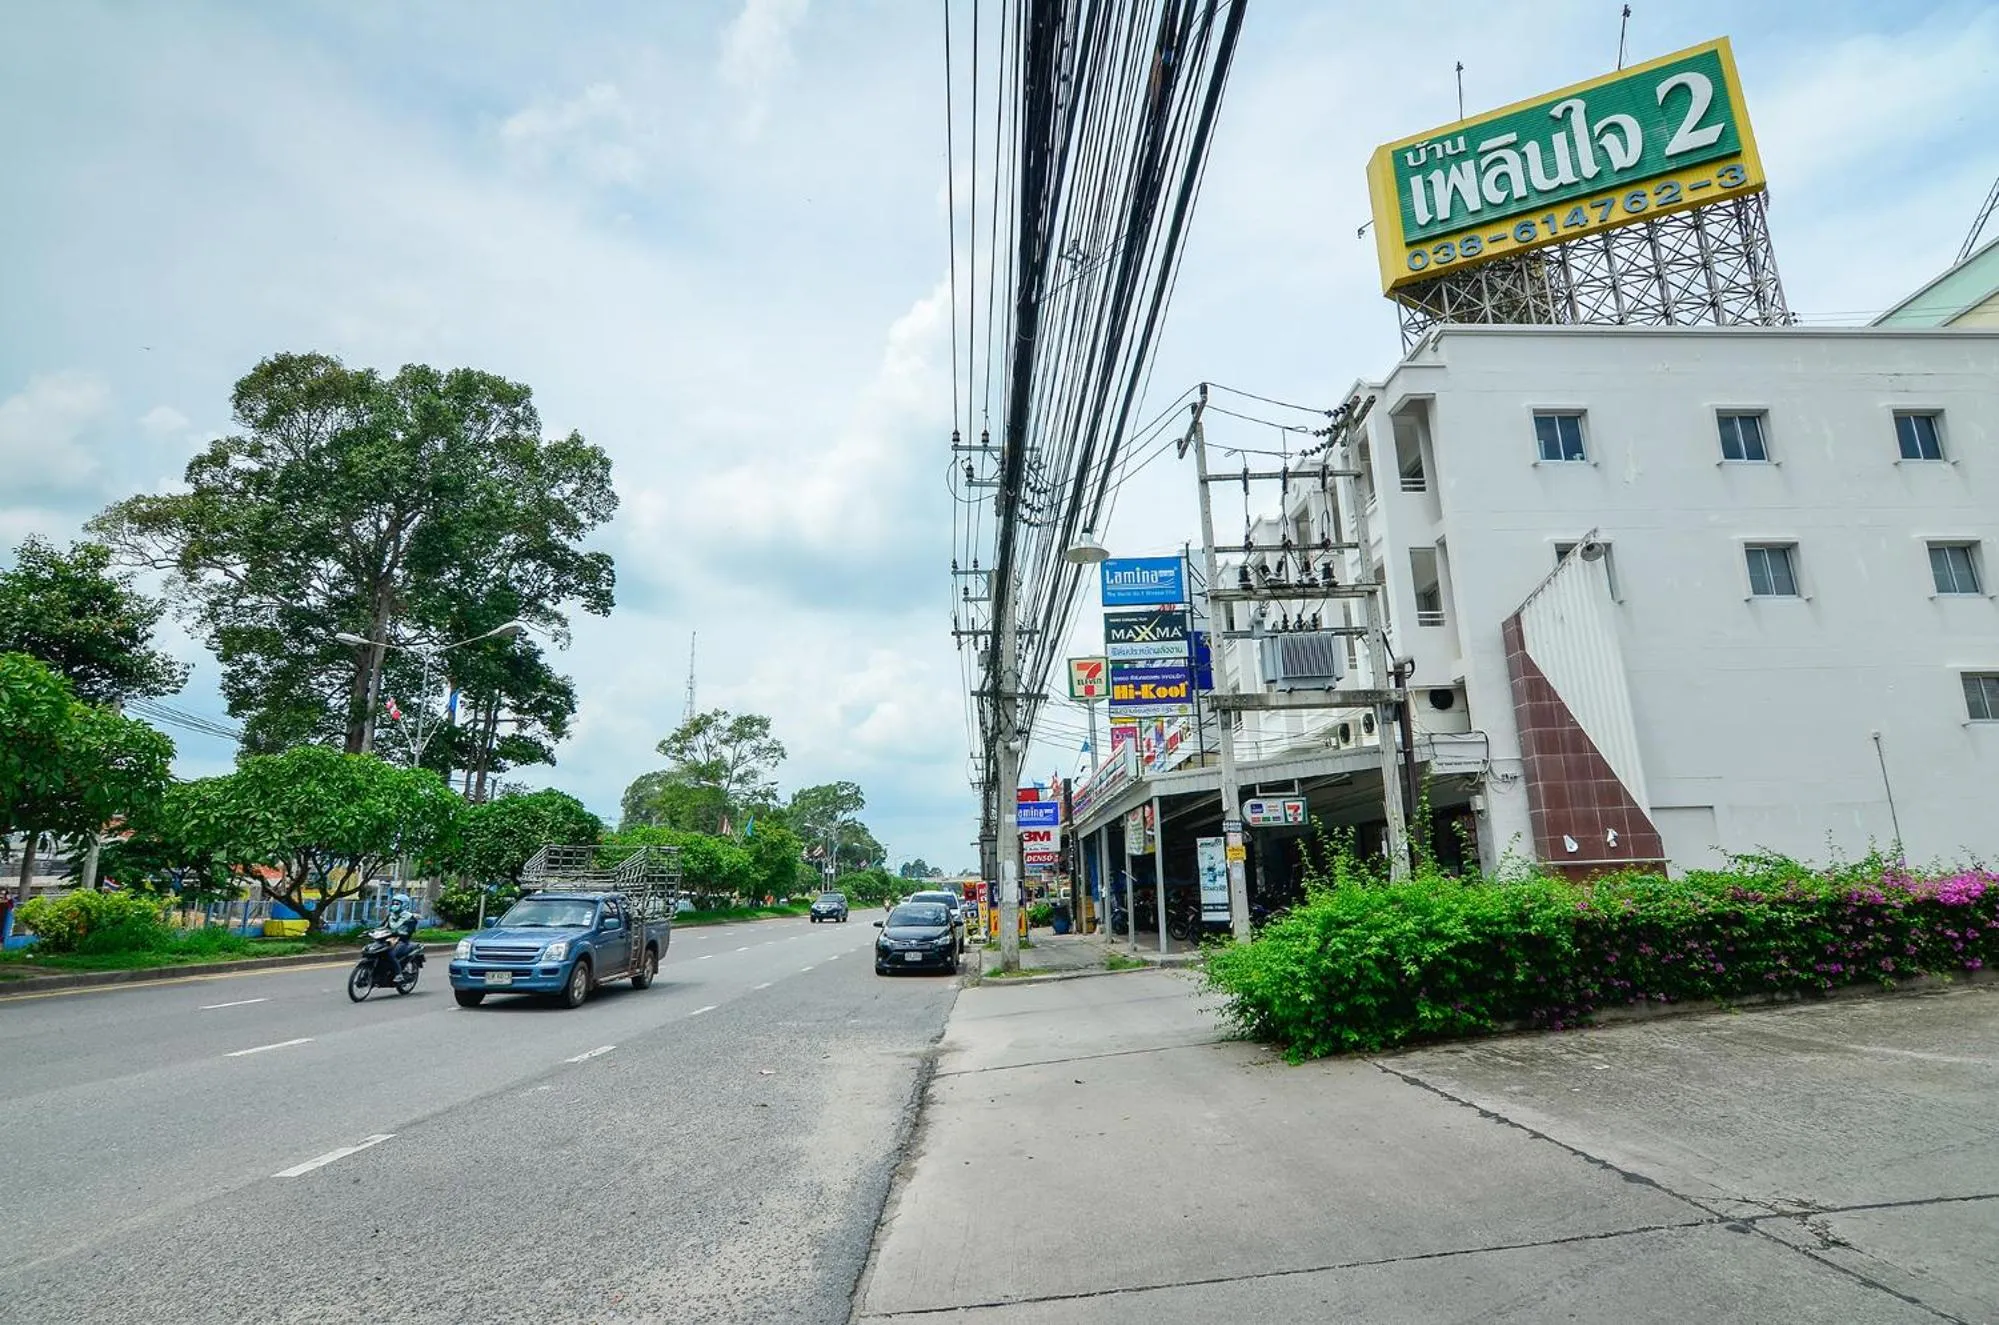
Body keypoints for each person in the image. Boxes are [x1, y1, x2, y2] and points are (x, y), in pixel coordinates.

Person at [384, 894, 420, 969]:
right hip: (389, 939)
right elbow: (383, 926)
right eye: (393, 903)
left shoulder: (410, 918)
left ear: (404, 905)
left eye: (397, 904)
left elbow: (409, 931)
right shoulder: (390, 916)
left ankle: (398, 973)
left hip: (402, 941)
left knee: (391, 954)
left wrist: (399, 933)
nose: (394, 905)